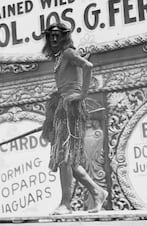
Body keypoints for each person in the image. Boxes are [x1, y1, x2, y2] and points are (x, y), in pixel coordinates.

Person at [41, 23, 108, 215]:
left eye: (57, 36)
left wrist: (81, 95)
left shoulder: (69, 52)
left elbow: (88, 66)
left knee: (65, 158)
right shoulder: (60, 56)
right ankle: (97, 192)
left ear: (64, 36)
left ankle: (66, 204)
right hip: (63, 108)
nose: (54, 39)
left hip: (71, 108)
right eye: (50, 36)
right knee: (68, 159)